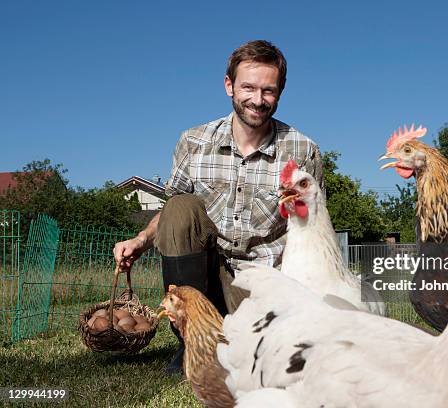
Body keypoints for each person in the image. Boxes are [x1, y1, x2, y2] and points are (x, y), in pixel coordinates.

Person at [113, 40, 323, 374]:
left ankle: (246, 336)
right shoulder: (193, 141)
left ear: (280, 92)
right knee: (180, 206)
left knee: (268, 360)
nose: (257, 100)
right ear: (229, 86)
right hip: (206, 275)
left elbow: (312, 230)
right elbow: (170, 212)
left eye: (268, 90)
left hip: (264, 281)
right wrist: (140, 240)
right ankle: (194, 344)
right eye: (248, 87)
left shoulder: (303, 149)